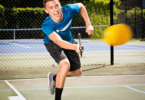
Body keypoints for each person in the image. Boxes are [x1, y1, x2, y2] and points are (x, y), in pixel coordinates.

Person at [42, 0, 94, 100]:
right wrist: (75, 47)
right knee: (65, 65)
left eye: (57, 6)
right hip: (52, 42)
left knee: (78, 72)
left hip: (68, 39)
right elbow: (59, 41)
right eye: (51, 8)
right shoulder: (46, 25)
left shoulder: (68, 10)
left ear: (60, 5)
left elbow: (81, 6)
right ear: (46, 10)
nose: (55, 10)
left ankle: (54, 77)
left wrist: (88, 24)